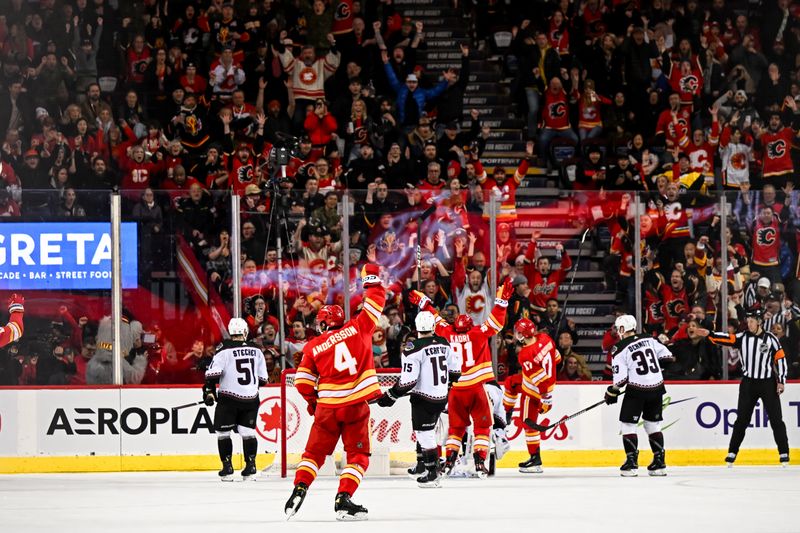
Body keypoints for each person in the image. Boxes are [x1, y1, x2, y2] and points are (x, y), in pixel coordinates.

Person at [284, 264, 384, 521]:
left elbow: (303, 382)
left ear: (324, 323)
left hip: (327, 407)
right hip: (355, 406)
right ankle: (343, 498)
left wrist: (312, 403)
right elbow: (375, 301)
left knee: (314, 455)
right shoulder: (359, 326)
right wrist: (370, 277)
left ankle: (300, 486)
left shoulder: (313, 345)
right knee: (358, 455)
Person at [408, 278, 513, 478]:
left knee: (456, 428)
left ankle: (449, 460)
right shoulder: (477, 333)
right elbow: (496, 323)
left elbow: (435, 319)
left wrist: (424, 304)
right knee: (484, 425)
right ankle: (483, 458)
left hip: (455, 390)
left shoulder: (447, 332)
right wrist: (501, 303)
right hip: (476, 387)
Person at [376, 310, 461, 487]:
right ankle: (423, 465)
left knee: (424, 433)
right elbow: (455, 371)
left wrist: (391, 395)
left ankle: (432, 472)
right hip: (441, 397)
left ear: (416, 327)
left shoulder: (413, 348)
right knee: (425, 430)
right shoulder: (444, 343)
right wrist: (446, 385)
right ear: (433, 326)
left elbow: (408, 381)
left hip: (423, 397)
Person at [695, 308, 789, 466]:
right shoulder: (743, 337)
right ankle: (732, 452)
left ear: (759, 322)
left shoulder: (771, 338)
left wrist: (781, 380)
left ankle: (784, 452)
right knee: (741, 420)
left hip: (767, 383)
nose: (749, 324)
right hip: (749, 384)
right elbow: (727, 338)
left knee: (776, 419)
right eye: (748, 321)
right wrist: (711, 334)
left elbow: (780, 359)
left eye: (752, 321)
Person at [604, 315, 675, 477]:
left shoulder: (619, 348)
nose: (616, 332)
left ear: (622, 329)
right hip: (657, 388)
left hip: (637, 391)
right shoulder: (650, 339)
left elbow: (620, 380)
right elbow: (668, 358)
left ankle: (631, 464)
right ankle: (659, 463)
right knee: (653, 424)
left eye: (617, 328)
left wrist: (611, 392)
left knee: (628, 425)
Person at [203, 317, 268, 481]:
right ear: (245, 331)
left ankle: (227, 467)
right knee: (248, 432)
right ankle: (251, 466)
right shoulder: (256, 349)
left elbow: (212, 374)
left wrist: (209, 392)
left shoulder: (223, 349)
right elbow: (263, 380)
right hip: (251, 399)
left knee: (223, 433)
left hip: (228, 399)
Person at [512, 317, 561, 473]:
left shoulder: (525, 355)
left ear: (522, 335)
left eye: (518, 332)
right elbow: (557, 358)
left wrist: (547, 400)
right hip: (549, 387)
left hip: (532, 391)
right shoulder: (545, 338)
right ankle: (535, 458)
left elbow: (540, 380)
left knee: (528, 424)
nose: (515, 334)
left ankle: (535, 459)